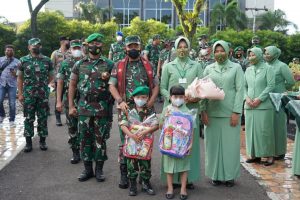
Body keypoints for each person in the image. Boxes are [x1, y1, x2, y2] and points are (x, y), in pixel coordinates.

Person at [109, 35, 159, 189]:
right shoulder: (119, 65)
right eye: (130, 46)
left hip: (145, 111)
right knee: (126, 141)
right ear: (125, 48)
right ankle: (126, 175)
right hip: (126, 109)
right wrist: (120, 101)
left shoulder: (148, 65)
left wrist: (151, 101)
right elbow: (112, 85)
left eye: (135, 46)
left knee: (145, 141)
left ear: (140, 47)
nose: (133, 49)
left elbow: (156, 85)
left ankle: (144, 177)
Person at [68, 33, 114, 182]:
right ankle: (87, 170)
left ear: (102, 45)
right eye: (92, 43)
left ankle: (99, 170)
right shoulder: (79, 64)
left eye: (98, 43)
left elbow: (113, 86)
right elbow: (72, 85)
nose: (95, 45)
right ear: (87, 45)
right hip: (84, 108)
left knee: (100, 139)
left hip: (102, 108)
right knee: (84, 139)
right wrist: (70, 106)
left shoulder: (109, 64)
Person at [160, 36, 203, 189]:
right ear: (175, 49)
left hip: (190, 109)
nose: (182, 49)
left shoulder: (196, 65)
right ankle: (173, 180)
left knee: (188, 143)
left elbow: (201, 86)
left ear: (189, 48)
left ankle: (188, 179)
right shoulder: (168, 66)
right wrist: (171, 100)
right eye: (180, 46)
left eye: (185, 46)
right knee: (171, 141)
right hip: (172, 111)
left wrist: (194, 97)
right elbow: (162, 87)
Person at [201, 40, 244, 187]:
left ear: (228, 51)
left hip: (229, 113)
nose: (219, 54)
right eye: (217, 51)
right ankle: (215, 175)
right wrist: (203, 111)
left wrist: (237, 112)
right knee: (212, 146)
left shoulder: (236, 68)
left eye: (222, 50)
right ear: (213, 53)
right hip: (212, 113)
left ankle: (230, 176)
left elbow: (240, 90)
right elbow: (202, 90)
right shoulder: (208, 68)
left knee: (230, 146)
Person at [119, 86, 158, 196]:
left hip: (145, 141)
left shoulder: (150, 110)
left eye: (143, 97)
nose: (140, 99)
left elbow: (156, 125)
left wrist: (146, 132)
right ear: (134, 97)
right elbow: (123, 125)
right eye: (138, 97)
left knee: (145, 163)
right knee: (132, 163)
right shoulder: (128, 110)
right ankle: (133, 184)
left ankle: (146, 182)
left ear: (147, 98)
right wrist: (131, 135)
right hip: (132, 141)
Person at [17, 38, 54, 152]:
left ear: (40, 47)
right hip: (29, 95)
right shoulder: (23, 60)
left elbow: (51, 76)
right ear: (29, 47)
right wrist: (20, 94)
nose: (35, 47)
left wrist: (44, 86)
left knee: (43, 118)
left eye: (37, 45)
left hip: (42, 95)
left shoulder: (47, 60)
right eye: (33, 45)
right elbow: (20, 78)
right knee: (29, 118)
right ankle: (28, 143)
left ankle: (42, 142)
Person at [160, 85, 194, 200]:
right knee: (169, 166)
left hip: (182, 145)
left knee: (184, 166)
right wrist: (165, 117)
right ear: (170, 97)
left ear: (184, 97)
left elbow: (191, 130)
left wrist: (190, 144)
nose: (178, 99)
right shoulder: (167, 109)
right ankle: (170, 188)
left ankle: (183, 189)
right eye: (175, 96)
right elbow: (160, 126)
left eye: (180, 96)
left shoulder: (188, 111)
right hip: (169, 144)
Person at [244, 47, 275, 166]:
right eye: (249, 55)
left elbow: (271, 85)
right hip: (249, 106)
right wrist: (246, 98)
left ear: (259, 55)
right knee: (251, 131)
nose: (250, 57)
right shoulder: (248, 70)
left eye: (253, 55)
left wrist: (259, 99)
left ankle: (269, 155)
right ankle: (254, 155)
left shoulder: (268, 68)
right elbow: (244, 86)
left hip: (264, 106)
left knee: (265, 131)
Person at [264, 46, 295, 160]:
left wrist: (281, 89)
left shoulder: (282, 66)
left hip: (278, 99)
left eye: (268, 53)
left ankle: (280, 151)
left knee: (279, 125)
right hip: (266, 98)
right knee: (268, 126)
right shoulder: (265, 66)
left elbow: (291, 81)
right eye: (265, 53)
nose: (266, 55)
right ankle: (269, 150)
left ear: (275, 54)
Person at [56, 39, 83, 164]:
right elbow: (60, 83)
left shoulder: (87, 62)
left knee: (86, 128)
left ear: (82, 48)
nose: (77, 50)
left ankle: (87, 151)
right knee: (72, 127)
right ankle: (75, 152)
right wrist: (58, 101)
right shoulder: (65, 63)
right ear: (70, 50)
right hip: (69, 100)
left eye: (79, 47)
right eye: (74, 48)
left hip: (85, 101)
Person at [50, 36, 71, 126]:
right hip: (58, 80)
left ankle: (68, 117)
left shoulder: (71, 52)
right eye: (67, 40)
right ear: (62, 42)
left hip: (69, 80)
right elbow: (51, 67)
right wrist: (52, 81)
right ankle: (58, 118)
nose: (68, 42)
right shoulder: (55, 53)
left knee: (69, 98)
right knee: (59, 98)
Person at [0, 45, 20, 124]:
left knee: (12, 103)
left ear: (13, 51)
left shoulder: (17, 61)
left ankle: (12, 119)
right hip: (2, 83)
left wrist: (15, 73)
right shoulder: (0, 59)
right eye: (8, 50)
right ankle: (2, 115)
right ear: (5, 51)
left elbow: (19, 75)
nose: (9, 52)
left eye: (11, 50)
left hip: (12, 85)